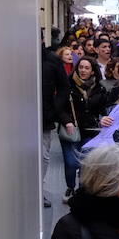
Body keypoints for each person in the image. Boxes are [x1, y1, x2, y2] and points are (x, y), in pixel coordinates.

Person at [56, 56, 112, 202]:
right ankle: (70, 187)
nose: (83, 70)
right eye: (81, 67)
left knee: (85, 163)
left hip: (90, 130)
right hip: (71, 131)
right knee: (71, 163)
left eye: (87, 68)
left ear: (93, 71)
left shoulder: (99, 88)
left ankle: (81, 191)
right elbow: (59, 107)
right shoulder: (67, 85)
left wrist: (103, 118)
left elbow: (103, 109)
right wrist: (67, 121)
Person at [41, 39, 71, 207]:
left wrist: (54, 110)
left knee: (43, 156)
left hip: (44, 117)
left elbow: (64, 88)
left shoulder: (52, 60)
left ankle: (39, 190)